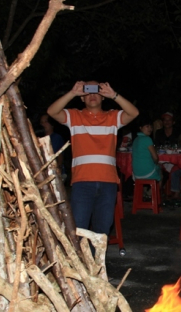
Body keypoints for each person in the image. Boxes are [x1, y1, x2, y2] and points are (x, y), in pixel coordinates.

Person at [46, 80, 139, 234]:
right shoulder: (75, 116)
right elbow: (52, 112)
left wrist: (114, 95)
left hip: (108, 182)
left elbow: (134, 113)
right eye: (88, 91)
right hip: (82, 182)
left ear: (103, 97)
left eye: (96, 91)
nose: (92, 95)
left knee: (102, 230)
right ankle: (82, 259)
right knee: (80, 229)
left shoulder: (112, 117)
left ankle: (98, 259)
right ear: (82, 97)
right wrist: (72, 93)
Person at [131, 116, 161, 182]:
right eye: (147, 126)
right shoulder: (147, 139)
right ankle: (154, 192)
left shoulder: (136, 139)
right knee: (161, 173)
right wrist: (156, 163)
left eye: (151, 127)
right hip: (147, 173)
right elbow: (155, 158)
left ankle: (145, 191)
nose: (150, 129)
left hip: (136, 173)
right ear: (140, 128)